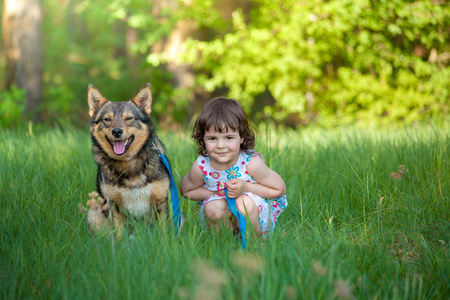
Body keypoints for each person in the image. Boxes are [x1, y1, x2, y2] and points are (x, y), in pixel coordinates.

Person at [180, 97, 287, 239]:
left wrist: (246, 188)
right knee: (213, 209)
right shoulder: (202, 166)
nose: (220, 145)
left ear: (241, 137)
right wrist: (213, 194)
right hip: (221, 209)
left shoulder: (251, 162)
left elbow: (279, 189)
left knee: (245, 204)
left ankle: (254, 246)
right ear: (203, 139)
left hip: (254, 212)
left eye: (228, 138)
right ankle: (225, 246)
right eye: (212, 138)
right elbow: (186, 191)